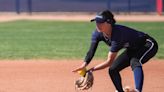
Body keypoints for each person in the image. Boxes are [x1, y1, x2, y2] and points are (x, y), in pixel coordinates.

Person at [72, 10, 158, 92]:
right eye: (96, 22)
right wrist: (84, 65)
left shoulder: (117, 35)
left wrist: (91, 70)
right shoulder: (97, 34)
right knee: (113, 69)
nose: (97, 24)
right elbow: (91, 51)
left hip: (147, 44)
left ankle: (137, 90)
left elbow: (109, 61)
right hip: (132, 48)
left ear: (109, 23)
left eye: (100, 22)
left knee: (135, 61)